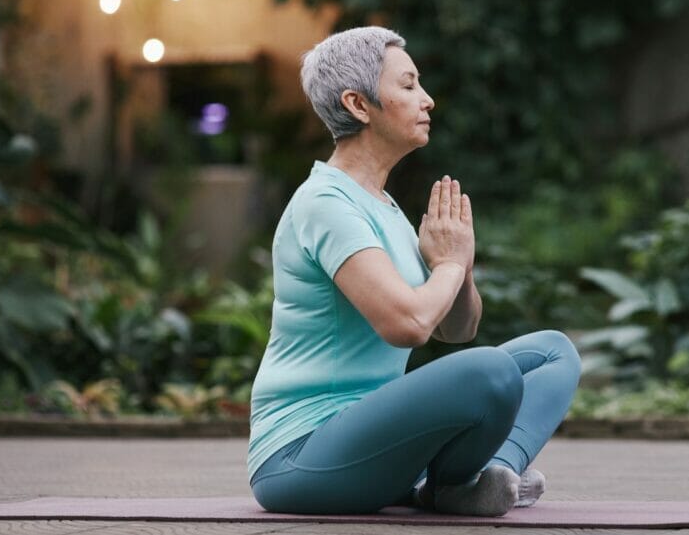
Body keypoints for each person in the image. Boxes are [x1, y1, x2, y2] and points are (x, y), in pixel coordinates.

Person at [247, 26, 581, 517]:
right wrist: (446, 263)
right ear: (359, 105)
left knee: (553, 352)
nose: (427, 100)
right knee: (490, 371)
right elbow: (407, 325)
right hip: (301, 455)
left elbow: (456, 328)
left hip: (374, 444)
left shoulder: (382, 205)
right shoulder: (325, 203)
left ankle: (483, 478)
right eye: (408, 86)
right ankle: (449, 485)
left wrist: (460, 265)